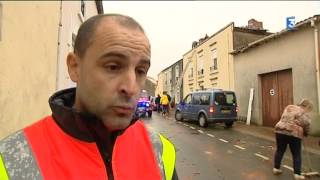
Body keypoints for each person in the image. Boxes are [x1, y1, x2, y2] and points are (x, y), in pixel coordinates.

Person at [0, 14, 178, 180]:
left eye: (140, 71)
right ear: (75, 67)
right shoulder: (11, 159)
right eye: (113, 67)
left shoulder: (160, 150)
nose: (131, 88)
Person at [273, 99, 313, 180]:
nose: (308, 111)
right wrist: (306, 133)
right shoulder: (303, 112)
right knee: (296, 154)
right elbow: (306, 123)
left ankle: (276, 168)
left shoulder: (289, 107)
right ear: (307, 106)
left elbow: (285, 117)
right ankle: (297, 174)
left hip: (280, 130)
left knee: (280, 150)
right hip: (293, 133)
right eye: (309, 109)